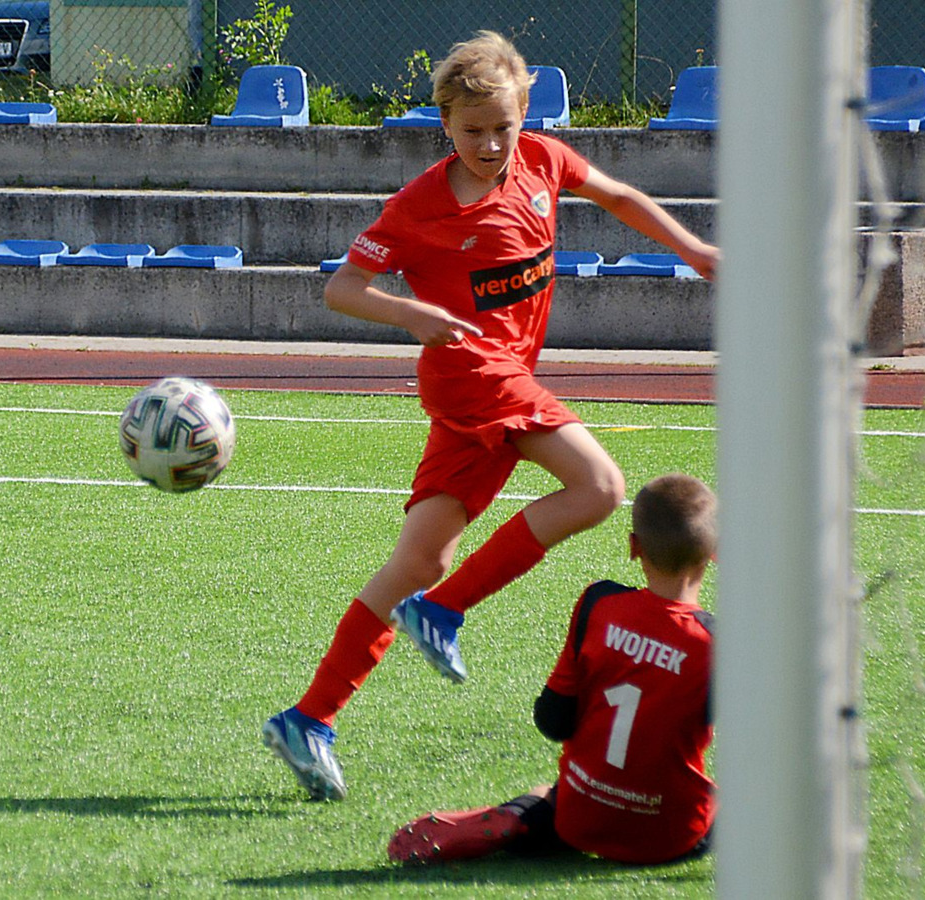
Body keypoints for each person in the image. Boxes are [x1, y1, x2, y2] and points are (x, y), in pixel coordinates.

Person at [262, 30, 719, 802]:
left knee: (417, 562)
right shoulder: (418, 207)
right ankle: (443, 612)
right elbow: (342, 288)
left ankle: (308, 719)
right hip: (474, 379)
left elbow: (617, 196)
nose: (490, 144)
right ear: (445, 124)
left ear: (524, 114)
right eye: (472, 130)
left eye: (503, 127)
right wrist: (413, 313)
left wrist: (693, 249)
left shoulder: (543, 161)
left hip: (487, 393)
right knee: (601, 488)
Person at [387, 472, 717, 865]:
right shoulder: (719, 644)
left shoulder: (599, 603)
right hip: (670, 838)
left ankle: (524, 812)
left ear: (634, 547)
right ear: (714, 553)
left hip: (578, 820)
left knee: (556, 794)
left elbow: (552, 720)